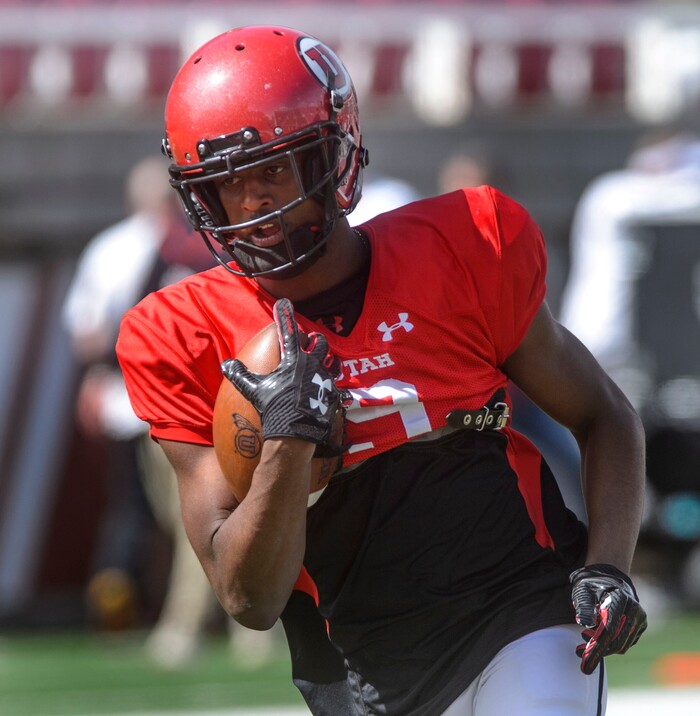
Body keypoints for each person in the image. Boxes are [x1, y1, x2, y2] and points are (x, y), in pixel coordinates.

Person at [117, 25, 647, 715]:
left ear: (330, 153)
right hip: (356, 666)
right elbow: (249, 599)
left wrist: (608, 568)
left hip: (519, 610)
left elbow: (605, 415)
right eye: (226, 183)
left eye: (272, 170)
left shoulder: (463, 248)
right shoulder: (181, 336)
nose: (251, 204)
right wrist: (286, 443)